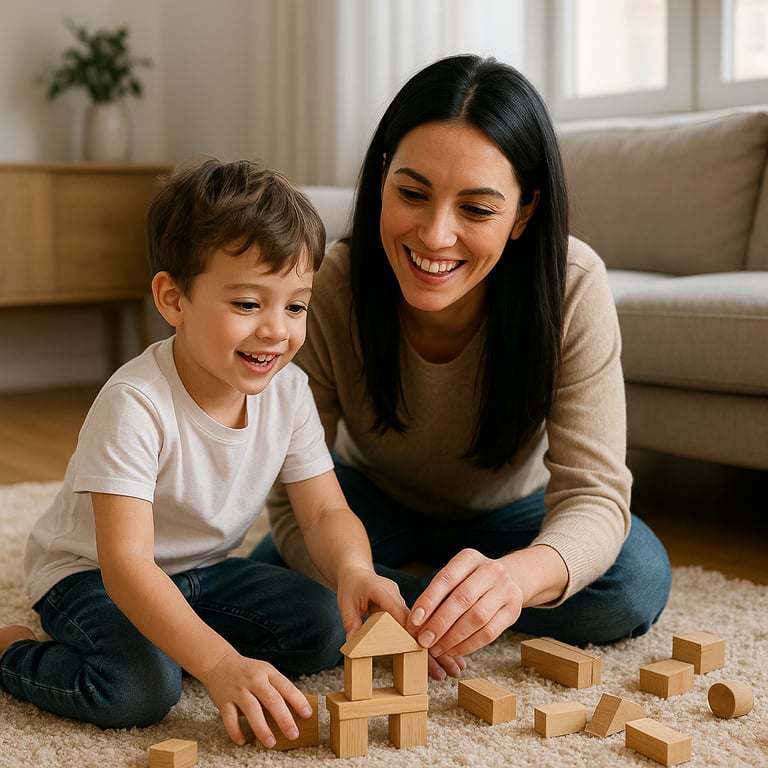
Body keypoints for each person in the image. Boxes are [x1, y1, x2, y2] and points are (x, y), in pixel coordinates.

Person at [252, 54, 672, 679]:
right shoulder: (331, 282)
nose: (435, 235)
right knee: (281, 584)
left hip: (513, 514)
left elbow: (595, 493)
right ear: (383, 178)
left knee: (633, 580)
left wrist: (515, 580)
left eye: (476, 209)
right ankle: (417, 600)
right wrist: (354, 572)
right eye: (412, 193)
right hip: (367, 504)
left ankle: (426, 602)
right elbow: (294, 497)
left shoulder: (572, 285)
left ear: (524, 214)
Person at [0, 159, 407, 748]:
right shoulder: (135, 403)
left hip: (203, 572)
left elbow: (322, 513)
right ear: (173, 299)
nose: (276, 330)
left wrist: (354, 570)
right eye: (247, 304)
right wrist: (217, 664)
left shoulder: (289, 392)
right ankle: (12, 648)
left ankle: (181, 638)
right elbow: (128, 566)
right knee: (140, 689)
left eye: (295, 306)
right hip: (93, 576)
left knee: (322, 626)